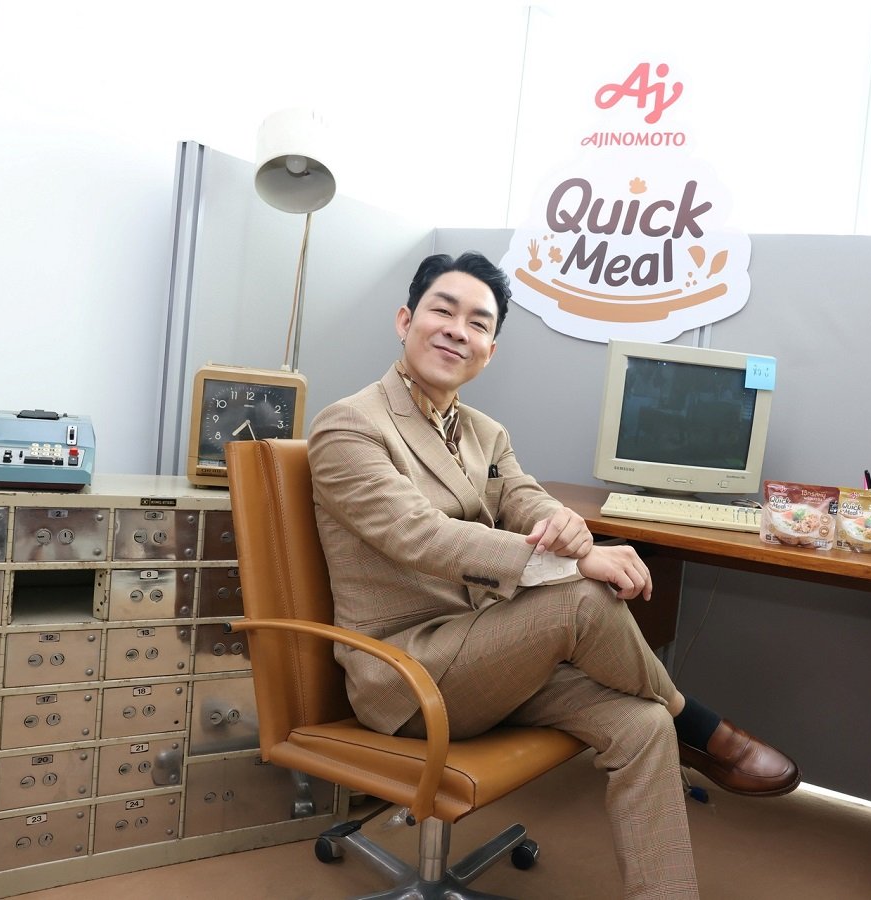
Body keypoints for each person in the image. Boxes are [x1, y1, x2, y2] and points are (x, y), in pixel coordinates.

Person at [307, 251, 799, 898]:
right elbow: (420, 536)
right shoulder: (350, 424)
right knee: (582, 598)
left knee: (641, 724)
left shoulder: (484, 432)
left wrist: (567, 529)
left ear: (490, 351)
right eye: (443, 311)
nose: (458, 330)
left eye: (478, 323)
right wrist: (579, 560)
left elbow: (525, 498)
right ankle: (699, 726)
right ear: (405, 320)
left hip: (486, 654)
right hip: (406, 672)